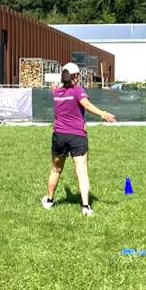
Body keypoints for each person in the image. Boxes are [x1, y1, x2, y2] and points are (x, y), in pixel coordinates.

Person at [41, 62, 116, 216]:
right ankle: (85, 207)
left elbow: (57, 93)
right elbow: (86, 104)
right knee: (81, 172)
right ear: (75, 76)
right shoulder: (77, 91)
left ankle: (49, 201)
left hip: (59, 136)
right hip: (77, 136)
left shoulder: (56, 93)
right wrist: (102, 113)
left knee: (55, 170)